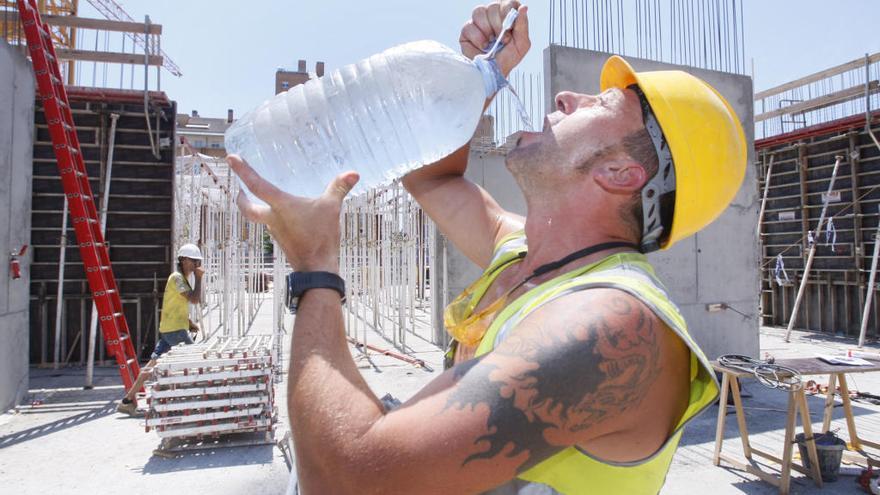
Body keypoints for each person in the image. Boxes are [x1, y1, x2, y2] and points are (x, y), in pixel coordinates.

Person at [227, 1, 746, 492]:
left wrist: (315, 267)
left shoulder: (611, 324)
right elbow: (433, 179)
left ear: (620, 172)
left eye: (603, 102)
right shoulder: (523, 253)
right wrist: (480, 76)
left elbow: (346, 482)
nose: (566, 98)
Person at [117, 243, 205, 416]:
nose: (196, 265)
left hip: (170, 329)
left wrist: (188, 322)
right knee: (195, 362)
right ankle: (195, 400)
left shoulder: (181, 279)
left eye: (197, 261)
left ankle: (127, 401)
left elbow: (174, 305)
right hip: (175, 331)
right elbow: (194, 299)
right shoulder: (177, 278)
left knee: (152, 365)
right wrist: (200, 278)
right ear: (184, 260)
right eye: (194, 261)